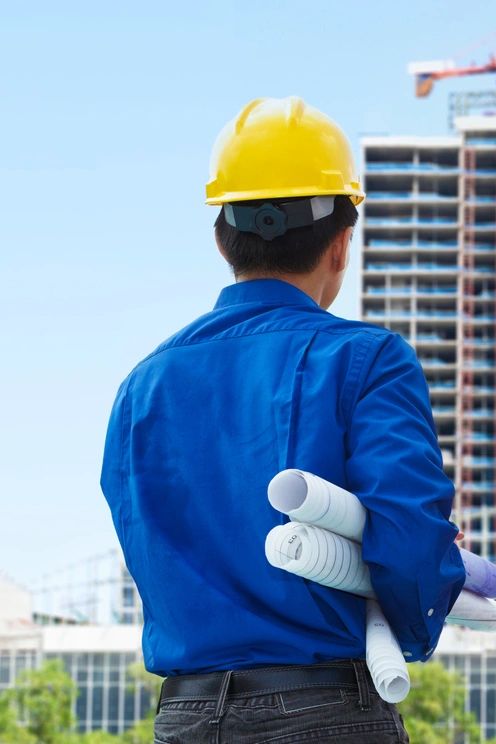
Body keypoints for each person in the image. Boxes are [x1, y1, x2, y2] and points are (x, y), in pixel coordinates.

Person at [100, 97, 466, 743]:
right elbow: (406, 536)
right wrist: (424, 595)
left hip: (184, 718)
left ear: (222, 236)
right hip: (324, 710)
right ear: (342, 243)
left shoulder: (143, 386)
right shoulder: (366, 359)